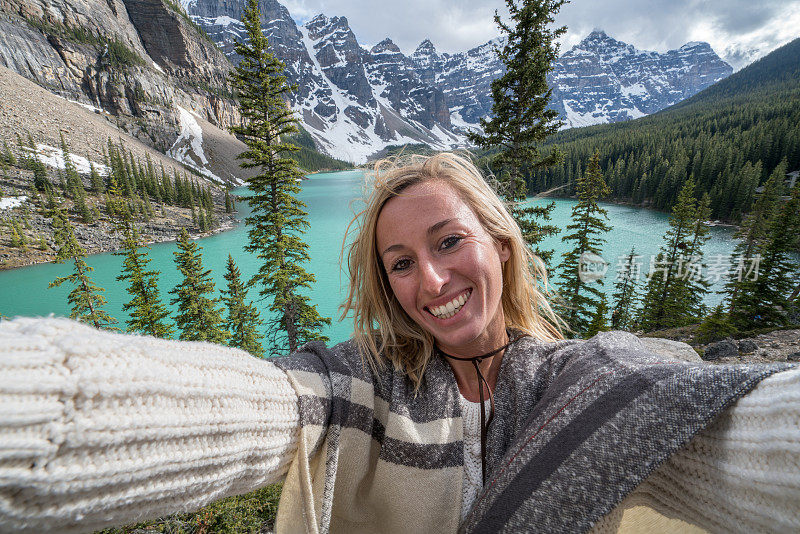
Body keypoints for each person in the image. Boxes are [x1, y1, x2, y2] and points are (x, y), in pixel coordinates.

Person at [1, 153, 798, 534]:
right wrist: (39, 410)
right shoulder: (364, 381)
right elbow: (265, 406)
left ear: (500, 241)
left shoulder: (581, 373)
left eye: (450, 241)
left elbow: (720, 436)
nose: (431, 279)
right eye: (401, 263)